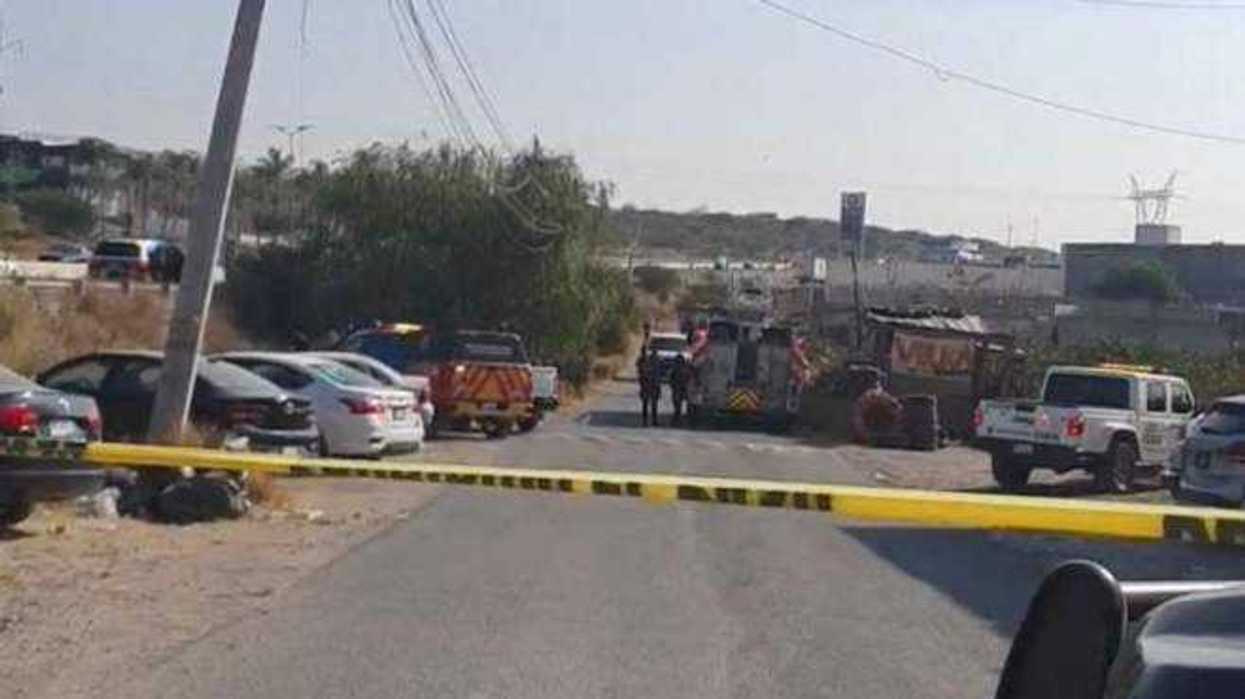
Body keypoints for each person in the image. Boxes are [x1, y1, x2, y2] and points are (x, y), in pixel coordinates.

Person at [636, 346, 661, 427]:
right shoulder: (646, 361)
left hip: (648, 384)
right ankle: (651, 420)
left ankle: (648, 420)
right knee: (651, 404)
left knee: (648, 404)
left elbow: (640, 371)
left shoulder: (644, 361)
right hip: (649, 384)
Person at [669, 354, 692, 427]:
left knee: (678, 407)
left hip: (679, 389)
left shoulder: (677, 369)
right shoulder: (681, 369)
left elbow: (671, 380)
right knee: (678, 407)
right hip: (679, 389)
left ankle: (677, 420)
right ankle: (677, 420)